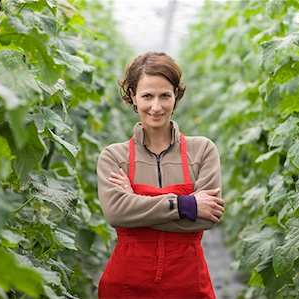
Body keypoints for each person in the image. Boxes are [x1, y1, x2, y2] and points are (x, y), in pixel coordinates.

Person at [96, 51, 224, 299]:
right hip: (126, 286)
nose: (156, 107)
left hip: (188, 286)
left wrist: (135, 203)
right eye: (147, 96)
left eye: (165, 95)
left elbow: (208, 218)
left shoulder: (202, 150)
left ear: (176, 95)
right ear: (133, 97)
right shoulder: (114, 156)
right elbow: (116, 213)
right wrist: (188, 204)